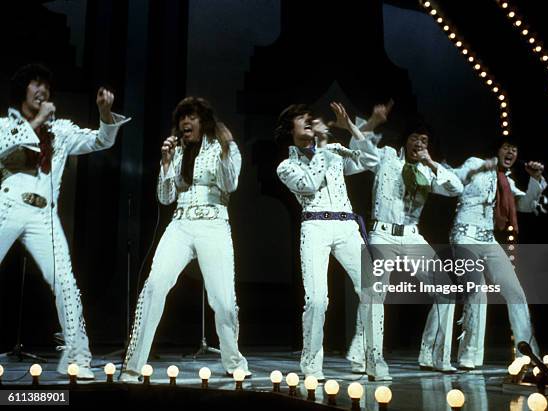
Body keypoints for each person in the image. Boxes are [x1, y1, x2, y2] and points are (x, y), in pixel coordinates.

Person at [0, 63, 129, 379]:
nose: (41, 90)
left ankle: (78, 357)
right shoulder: (5, 124)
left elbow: (100, 140)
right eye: (34, 84)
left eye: (45, 85)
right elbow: (5, 150)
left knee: (66, 283)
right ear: (23, 91)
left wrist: (104, 113)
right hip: (7, 204)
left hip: (44, 214)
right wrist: (38, 121)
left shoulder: (62, 130)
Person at [120, 97, 249, 381]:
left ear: (203, 121)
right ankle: (133, 363)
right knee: (154, 286)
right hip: (180, 222)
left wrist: (227, 148)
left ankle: (234, 361)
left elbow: (231, 184)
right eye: (182, 118)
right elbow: (165, 197)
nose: (185, 123)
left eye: (191, 117)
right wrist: (165, 164)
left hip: (214, 222)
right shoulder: (177, 151)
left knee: (224, 301)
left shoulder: (222, 147)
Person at [344, 103, 464, 373]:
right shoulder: (387, 157)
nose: (419, 144)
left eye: (424, 141)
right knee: (374, 295)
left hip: (412, 236)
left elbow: (456, 188)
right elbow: (361, 151)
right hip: (383, 234)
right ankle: (367, 356)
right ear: (405, 140)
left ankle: (434, 355)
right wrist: (372, 121)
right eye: (415, 138)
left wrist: (431, 162)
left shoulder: (427, 170)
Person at [275, 102, 390, 381]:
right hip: (315, 226)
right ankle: (312, 365)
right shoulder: (286, 165)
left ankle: (373, 359)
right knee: (317, 300)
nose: (309, 122)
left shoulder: (335, 151)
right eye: (301, 119)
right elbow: (310, 185)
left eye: (310, 118)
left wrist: (350, 126)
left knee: (373, 289)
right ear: (290, 128)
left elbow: (370, 161)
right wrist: (324, 148)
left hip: (347, 226)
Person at [450, 139, 546, 369]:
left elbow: (524, 205)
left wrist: (535, 179)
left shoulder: (506, 181)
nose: (511, 151)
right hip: (465, 235)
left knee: (515, 292)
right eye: (506, 147)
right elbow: (456, 178)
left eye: (515, 148)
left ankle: (527, 354)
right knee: (477, 293)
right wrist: (480, 168)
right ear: (496, 149)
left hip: (488, 239)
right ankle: (469, 356)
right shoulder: (476, 163)